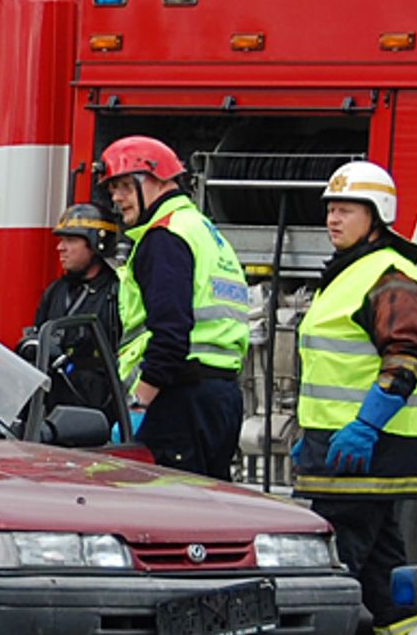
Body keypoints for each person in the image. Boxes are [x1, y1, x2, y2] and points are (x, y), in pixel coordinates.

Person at [291, 159, 417, 635]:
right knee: (379, 560)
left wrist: (364, 427)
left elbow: (406, 358)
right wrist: (310, 431)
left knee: (335, 558)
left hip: (361, 454)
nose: (333, 219)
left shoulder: (391, 278)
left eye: (346, 210)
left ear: (377, 216)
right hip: (338, 446)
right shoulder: (351, 273)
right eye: (330, 209)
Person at [100, 137, 252, 479]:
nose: (116, 198)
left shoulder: (164, 237)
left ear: (157, 180)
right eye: (113, 189)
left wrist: (139, 404)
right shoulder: (203, 230)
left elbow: (171, 333)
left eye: (125, 186)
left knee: (168, 515)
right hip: (220, 397)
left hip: (177, 398)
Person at [22, 202, 124, 434]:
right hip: (54, 409)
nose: (60, 248)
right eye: (61, 240)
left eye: (70, 240)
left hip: (97, 411)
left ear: (96, 244)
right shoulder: (55, 292)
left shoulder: (116, 293)